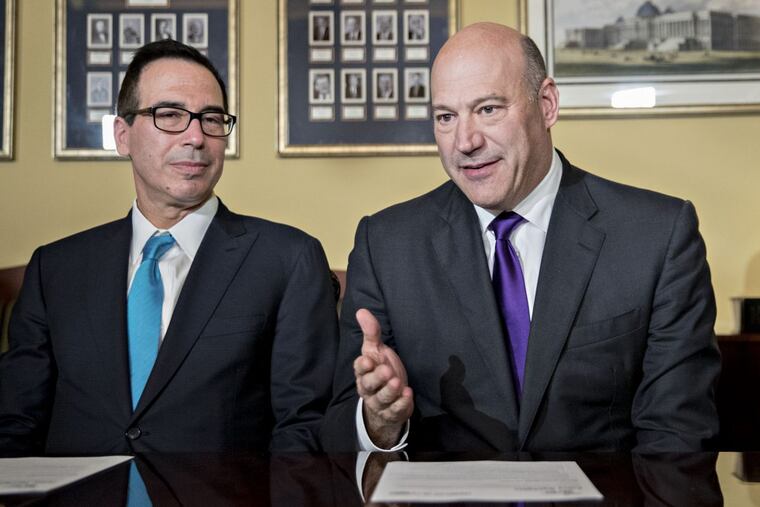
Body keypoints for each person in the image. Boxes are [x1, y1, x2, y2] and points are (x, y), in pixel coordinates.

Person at [321, 22, 720, 453]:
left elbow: (678, 436)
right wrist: (380, 422)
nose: (465, 142)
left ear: (546, 105)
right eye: (446, 117)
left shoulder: (656, 236)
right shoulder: (386, 245)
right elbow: (338, 429)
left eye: (488, 109)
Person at [0, 39, 338, 455]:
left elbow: (303, 427)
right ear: (122, 135)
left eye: (211, 119)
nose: (196, 137)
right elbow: (15, 424)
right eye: (170, 115)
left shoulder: (288, 259)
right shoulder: (55, 268)